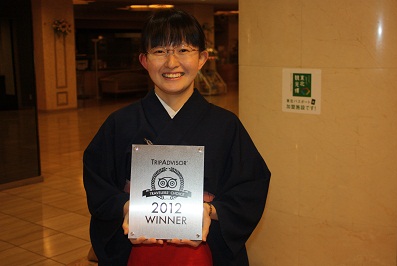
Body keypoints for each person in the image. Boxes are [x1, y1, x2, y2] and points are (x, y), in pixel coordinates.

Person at [83, 8, 271, 266]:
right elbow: (98, 184)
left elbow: (251, 185)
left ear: (202, 58)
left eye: (183, 50)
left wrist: (210, 211)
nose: (171, 63)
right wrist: (127, 208)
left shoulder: (226, 125)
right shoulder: (120, 123)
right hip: (135, 254)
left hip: (205, 252)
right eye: (159, 51)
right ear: (144, 60)